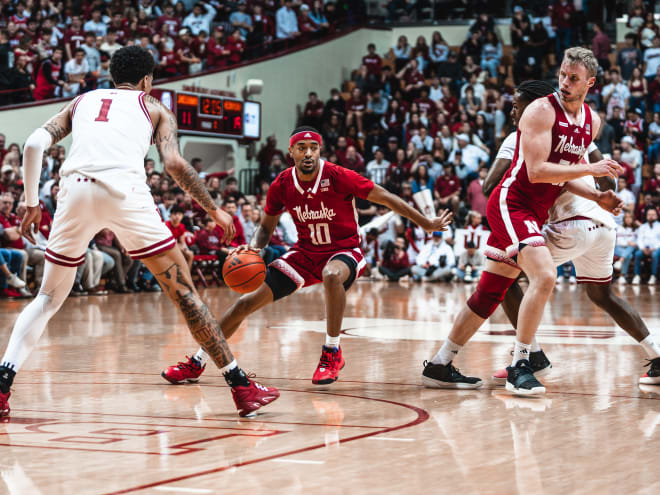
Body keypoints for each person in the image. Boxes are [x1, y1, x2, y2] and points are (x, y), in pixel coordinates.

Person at [0, 46, 278, 418]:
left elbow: (34, 143)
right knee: (185, 296)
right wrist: (213, 209)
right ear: (148, 80)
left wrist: (32, 200)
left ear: (113, 76)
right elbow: (175, 164)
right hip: (125, 194)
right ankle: (241, 387)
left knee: (48, 299)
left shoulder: (83, 100)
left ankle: (3, 385)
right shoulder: (155, 107)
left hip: (74, 191)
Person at [162, 126, 453, 385]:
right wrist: (252, 248)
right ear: (291, 153)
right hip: (303, 254)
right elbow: (265, 228)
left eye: (313, 147)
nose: (308, 152)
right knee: (243, 304)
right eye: (302, 148)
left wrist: (425, 222)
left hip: (344, 250)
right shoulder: (282, 184)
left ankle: (332, 352)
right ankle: (198, 361)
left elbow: (387, 197)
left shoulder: (339, 176)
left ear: (320, 150)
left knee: (330, 275)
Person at [422, 48, 623, 396]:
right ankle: (521, 365)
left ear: (590, 83)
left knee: (489, 293)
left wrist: (596, 197)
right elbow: (537, 171)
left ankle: (440, 364)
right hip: (512, 203)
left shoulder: (591, 121)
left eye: (573, 78)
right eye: (562, 74)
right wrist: (591, 169)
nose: (564, 82)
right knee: (545, 275)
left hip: (533, 210)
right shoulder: (541, 110)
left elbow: (560, 177)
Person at [485, 79, 660, 385]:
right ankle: (657, 357)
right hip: (603, 226)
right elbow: (605, 180)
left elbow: (490, 186)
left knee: (505, 279)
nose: (513, 112)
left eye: (517, 106)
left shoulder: (524, 134)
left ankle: (529, 357)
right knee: (603, 295)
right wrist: (599, 191)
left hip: (572, 223)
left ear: (536, 106)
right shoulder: (579, 134)